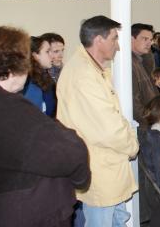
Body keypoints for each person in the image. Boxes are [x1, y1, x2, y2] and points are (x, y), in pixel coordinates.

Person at [0, 25, 90, 227]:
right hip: (22, 212)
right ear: (15, 67)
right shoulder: (8, 109)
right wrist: (81, 179)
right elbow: (71, 153)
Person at [57, 16, 139, 226]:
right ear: (99, 40)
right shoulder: (83, 76)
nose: (118, 46)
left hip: (106, 165)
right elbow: (108, 129)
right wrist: (132, 145)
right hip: (100, 169)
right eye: (114, 38)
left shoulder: (91, 69)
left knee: (116, 220)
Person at [132, 23, 159, 128]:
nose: (149, 43)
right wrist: (151, 121)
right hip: (144, 125)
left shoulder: (140, 62)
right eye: (144, 39)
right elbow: (134, 103)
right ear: (131, 38)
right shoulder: (129, 65)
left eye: (151, 40)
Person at [23, 36, 57, 117]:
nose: (52, 56)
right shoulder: (27, 82)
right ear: (35, 56)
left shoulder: (46, 77)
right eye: (47, 51)